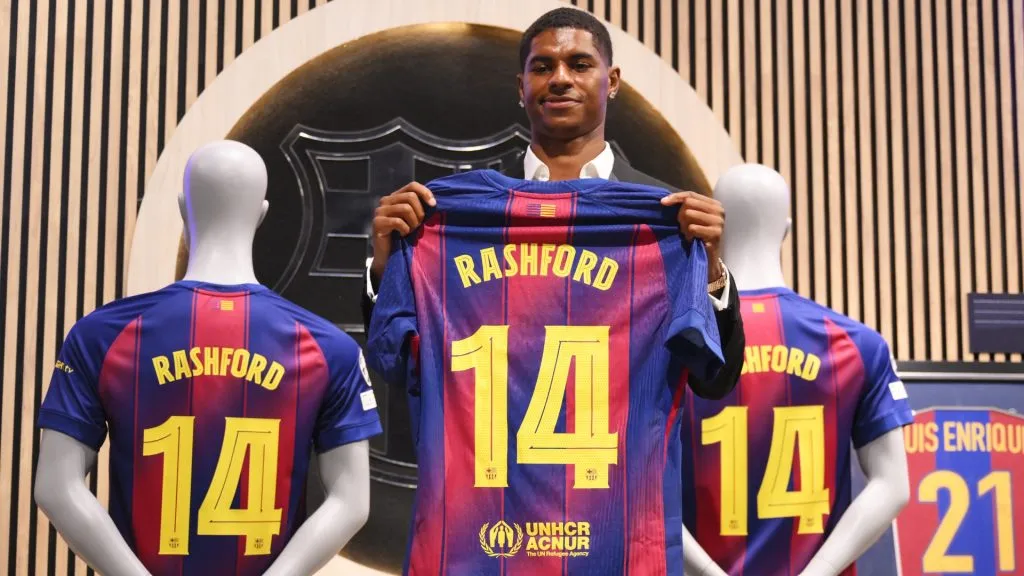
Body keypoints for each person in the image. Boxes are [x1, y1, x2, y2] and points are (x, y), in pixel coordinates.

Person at [34, 141, 382, 576]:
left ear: (183, 207)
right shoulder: (329, 349)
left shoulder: (101, 335)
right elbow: (351, 502)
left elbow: (56, 486)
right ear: (262, 213)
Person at [361, 6, 744, 399]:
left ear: (612, 81)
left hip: (614, 440)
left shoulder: (667, 215)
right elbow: (397, 362)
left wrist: (711, 271)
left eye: (579, 65)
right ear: (521, 87)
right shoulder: (463, 215)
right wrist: (385, 269)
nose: (560, 79)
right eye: (542, 68)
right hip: (497, 438)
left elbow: (713, 382)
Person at [679, 164, 912, 576]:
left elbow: (641, 487)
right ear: (785, 230)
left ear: (719, 227)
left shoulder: (677, 347)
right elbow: (892, 486)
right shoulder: (858, 345)